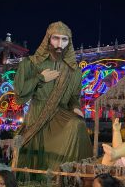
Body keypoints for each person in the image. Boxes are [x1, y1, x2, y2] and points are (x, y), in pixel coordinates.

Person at [14, 21, 93, 173]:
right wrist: (40, 78)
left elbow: (74, 97)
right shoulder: (31, 63)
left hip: (61, 113)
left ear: (69, 42)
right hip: (39, 113)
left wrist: (76, 107)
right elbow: (20, 94)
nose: (60, 43)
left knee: (77, 125)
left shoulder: (74, 70)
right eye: (56, 38)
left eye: (64, 39)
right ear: (48, 39)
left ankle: (64, 175)